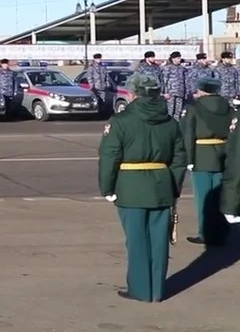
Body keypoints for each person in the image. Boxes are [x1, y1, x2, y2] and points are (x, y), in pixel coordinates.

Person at [98, 72, 187, 303]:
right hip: (161, 185)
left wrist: (107, 188)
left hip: (130, 186)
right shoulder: (170, 122)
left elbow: (109, 157)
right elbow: (179, 158)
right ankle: (157, 290)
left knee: (136, 240)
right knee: (159, 240)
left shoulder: (120, 121)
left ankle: (140, 288)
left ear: (132, 93)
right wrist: (173, 186)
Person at [180, 77, 234, 246]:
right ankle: (221, 232)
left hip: (201, 155)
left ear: (202, 90)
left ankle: (206, 233)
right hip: (224, 153)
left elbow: (187, 133)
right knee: (222, 196)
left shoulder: (193, 108)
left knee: (203, 197)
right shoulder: (229, 107)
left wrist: (188, 158)